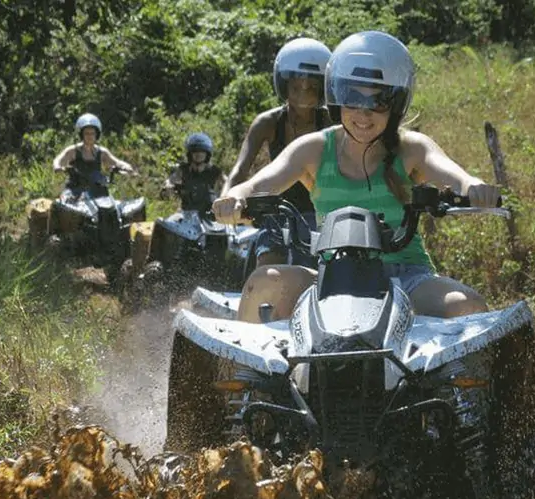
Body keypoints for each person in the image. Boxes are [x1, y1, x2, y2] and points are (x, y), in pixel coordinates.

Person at [212, 31, 500, 323]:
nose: (363, 113)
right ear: (337, 99)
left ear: (397, 103)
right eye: (352, 98)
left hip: (407, 278)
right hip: (332, 275)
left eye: (378, 100)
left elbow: (455, 175)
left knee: (467, 306)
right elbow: (259, 182)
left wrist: (473, 187)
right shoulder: (313, 148)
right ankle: (240, 370)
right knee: (263, 282)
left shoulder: (412, 147)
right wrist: (236, 197)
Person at [222, 37, 332, 267]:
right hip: (276, 211)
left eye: (312, 86)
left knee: (317, 272)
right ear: (283, 84)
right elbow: (241, 169)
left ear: (323, 88)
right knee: (268, 267)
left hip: (322, 211)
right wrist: (227, 198)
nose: (304, 92)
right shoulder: (268, 122)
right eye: (296, 86)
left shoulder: (332, 122)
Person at [52, 113, 136, 201]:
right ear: (81, 135)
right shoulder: (73, 150)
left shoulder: (102, 152)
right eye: (87, 133)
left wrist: (127, 167)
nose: (90, 136)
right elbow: (59, 159)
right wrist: (57, 166)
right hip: (75, 190)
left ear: (97, 135)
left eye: (92, 133)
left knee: (111, 209)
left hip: (97, 191)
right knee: (65, 205)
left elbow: (116, 162)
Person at [155, 132, 227, 233]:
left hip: (209, 216)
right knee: (168, 226)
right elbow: (170, 181)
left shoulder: (214, 171)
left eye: (202, 151)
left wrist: (225, 196)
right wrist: (168, 186)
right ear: (190, 154)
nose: (198, 154)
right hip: (186, 214)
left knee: (224, 231)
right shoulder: (183, 170)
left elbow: (228, 183)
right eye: (195, 151)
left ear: (207, 154)